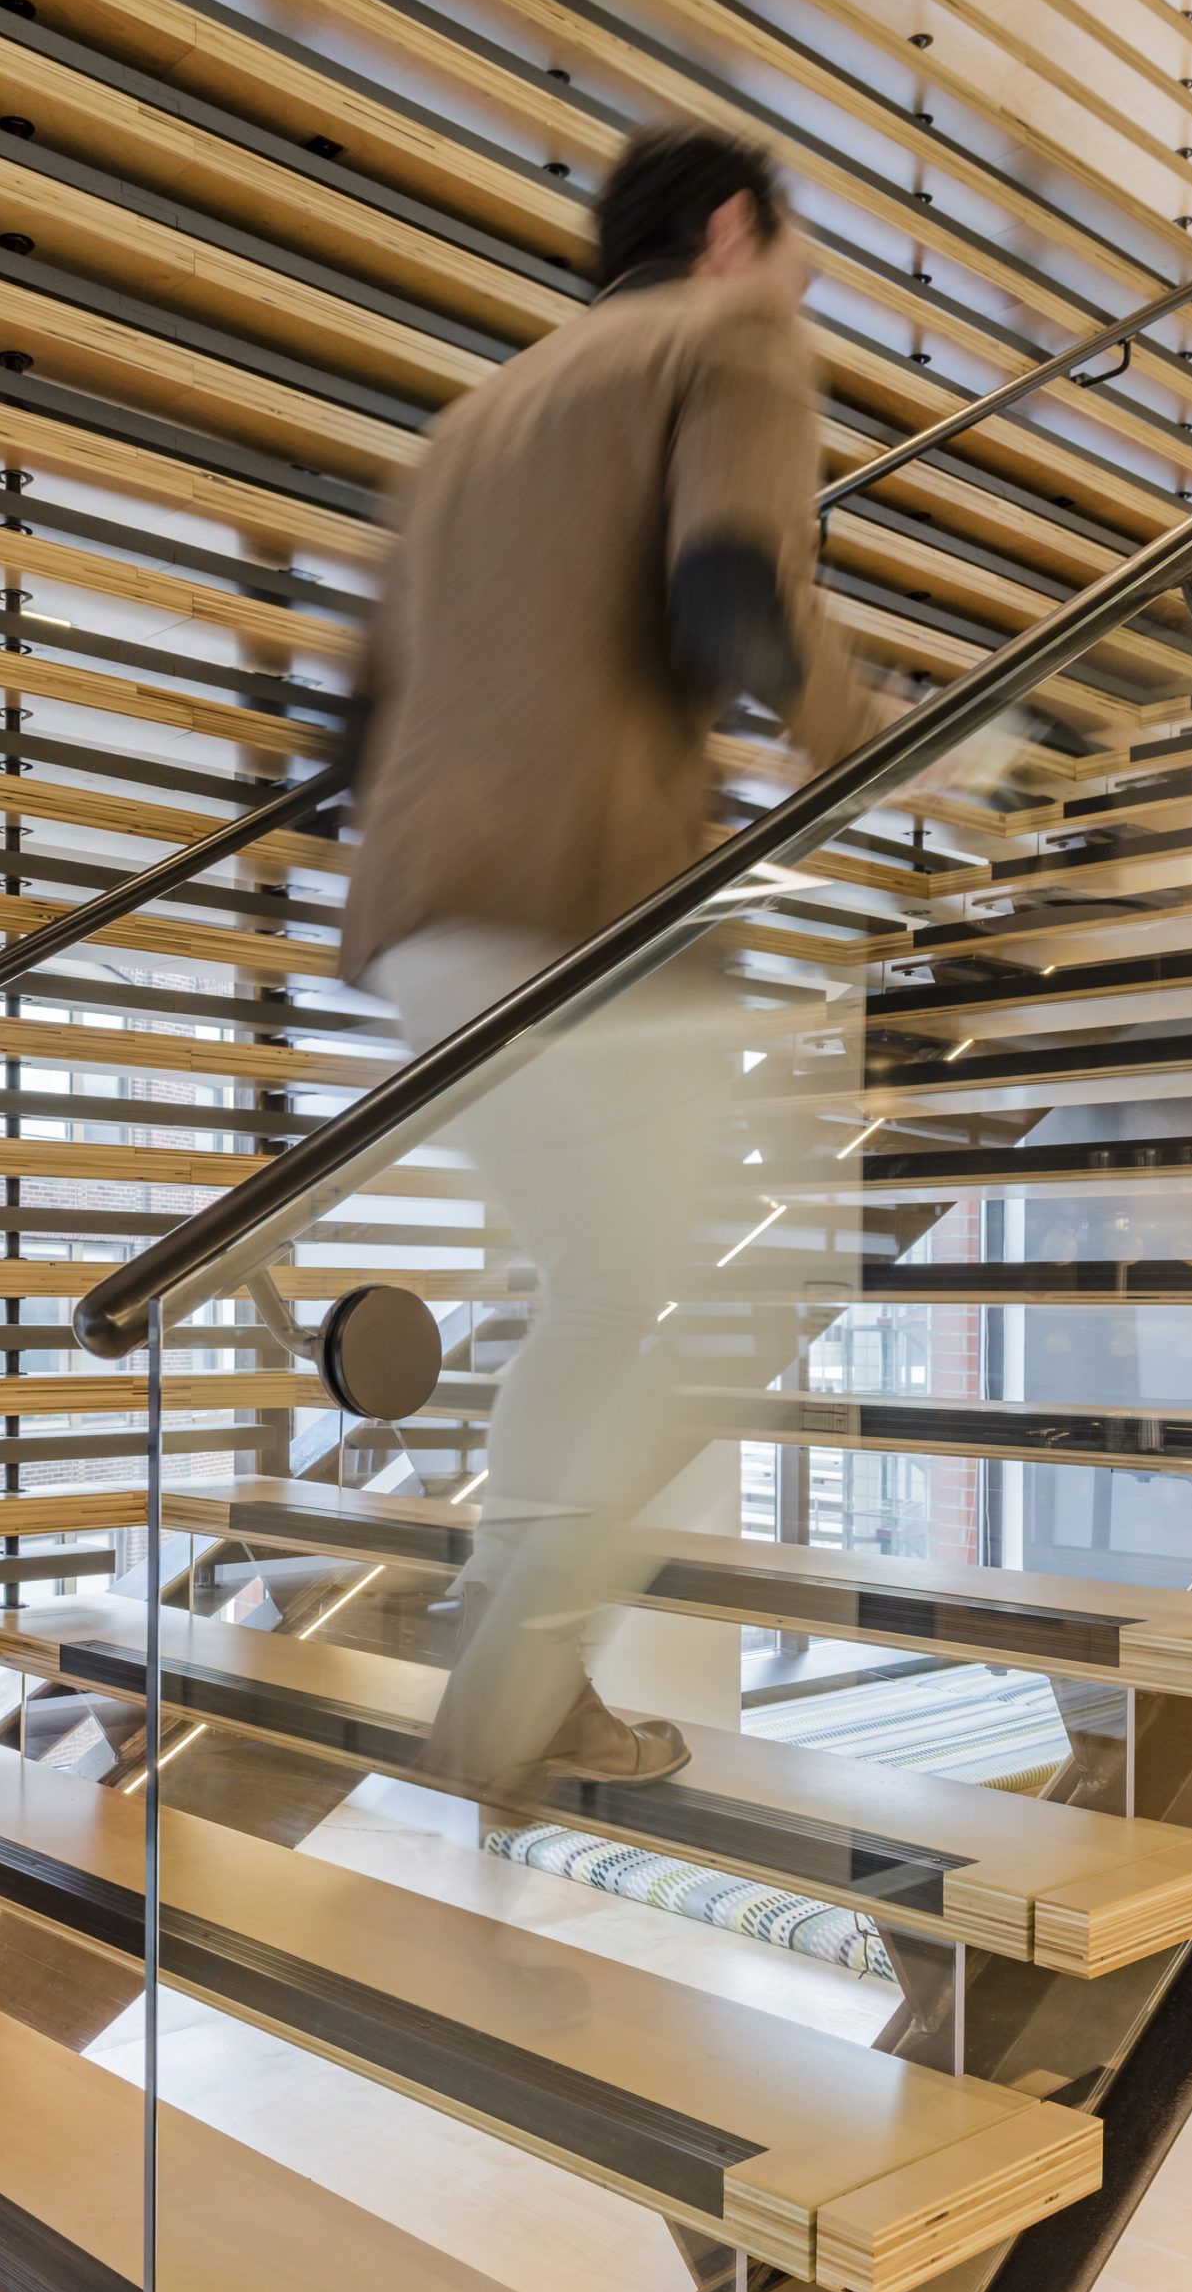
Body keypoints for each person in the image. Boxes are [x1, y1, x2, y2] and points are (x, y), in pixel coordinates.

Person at [339, 125, 884, 1798]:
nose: (807, 287)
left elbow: (354, 714)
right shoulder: (732, 341)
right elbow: (730, 591)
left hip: (423, 923)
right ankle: (503, 1686)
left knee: (595, 1288)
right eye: (800, 248)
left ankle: (520, 1647)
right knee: (767, 1274)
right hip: (585, 907)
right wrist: (872, 741)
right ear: (734, 230)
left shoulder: (468, 424)